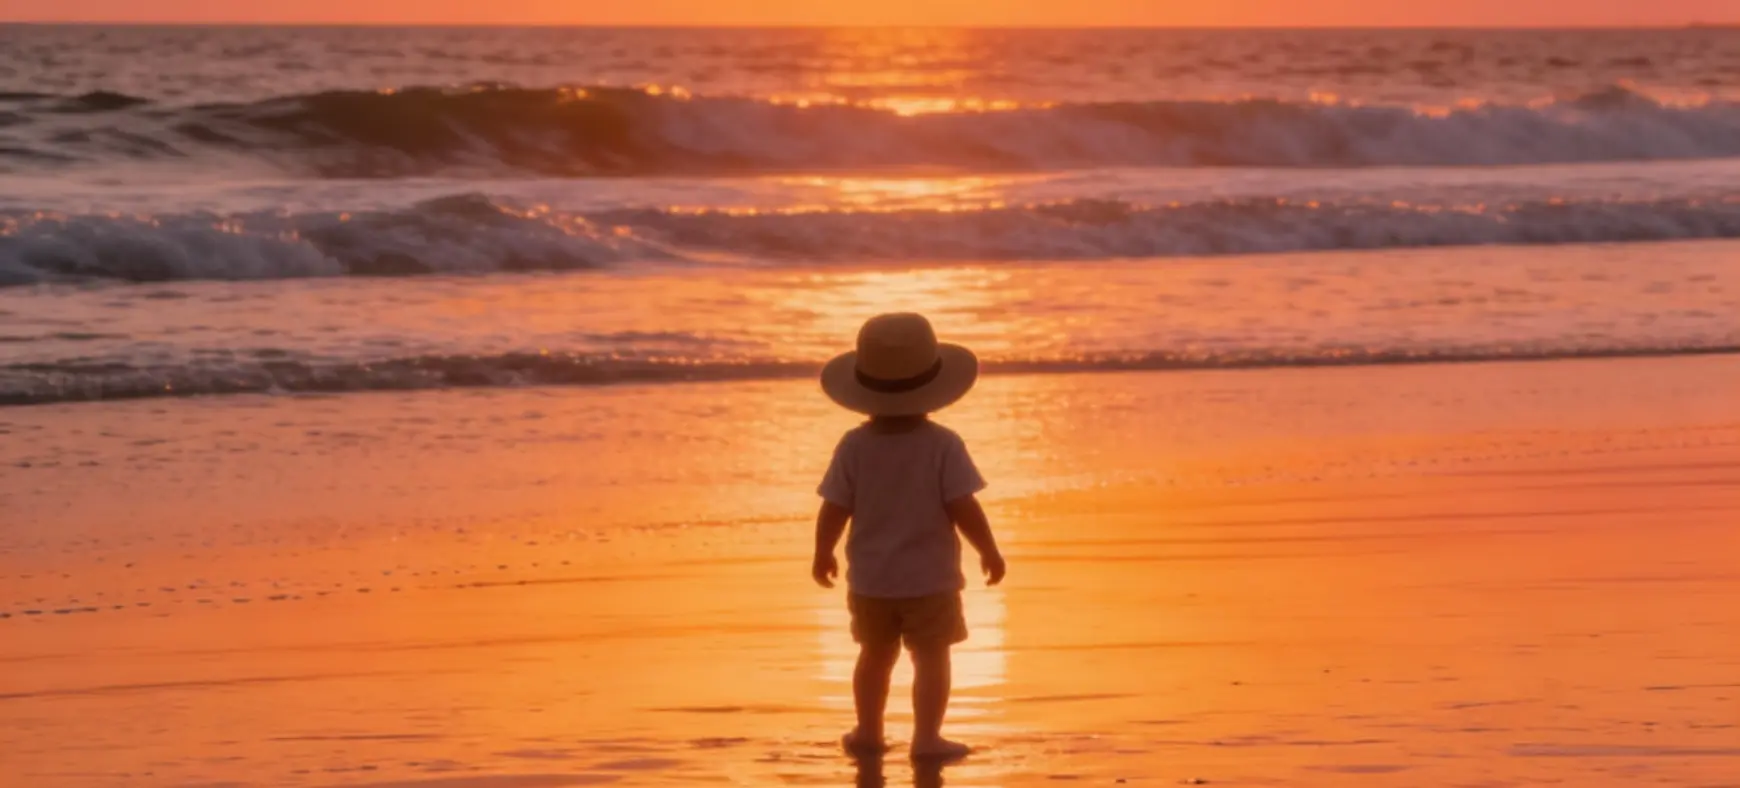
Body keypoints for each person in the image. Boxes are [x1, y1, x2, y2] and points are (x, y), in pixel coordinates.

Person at [811, 312, 1007, 761]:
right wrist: (989, 550)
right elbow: (963, 506)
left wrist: (822, 552)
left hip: (872, 580)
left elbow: (834, 507)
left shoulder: (854, 445)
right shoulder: (942, 444)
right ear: (933, 384)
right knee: (932, 657)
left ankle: (868, 732)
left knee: (874, 657)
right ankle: (926, 739)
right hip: (931, 579)